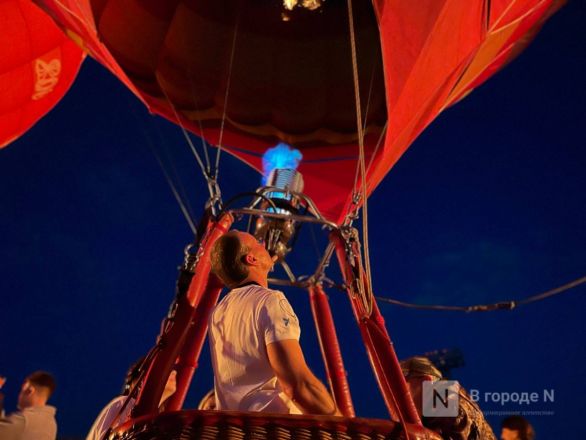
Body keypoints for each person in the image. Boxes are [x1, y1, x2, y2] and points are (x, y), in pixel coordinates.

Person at [208, 230, 338, 415]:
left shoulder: (218, 312)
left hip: (232, 428)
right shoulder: (269, 300)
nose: (264, 244)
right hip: (273, 426)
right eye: (257, 243)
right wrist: (342, 423)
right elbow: (298, 385)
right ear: (252, 259)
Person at [400, 357, 496, 440]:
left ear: (426, 381)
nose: (397, 391)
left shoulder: (443, 398)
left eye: (402, 383)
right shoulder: (451, 397)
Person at [86, 358, 177, 440]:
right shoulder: (125, 403)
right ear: (143, 377)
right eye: (168, 367)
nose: (174, 372)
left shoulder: (155, 419)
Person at [0, 371, 58, 440]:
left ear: (30, 391)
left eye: (22, 390)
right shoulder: (51, 423)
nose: (19, 395)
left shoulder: (23, 420)